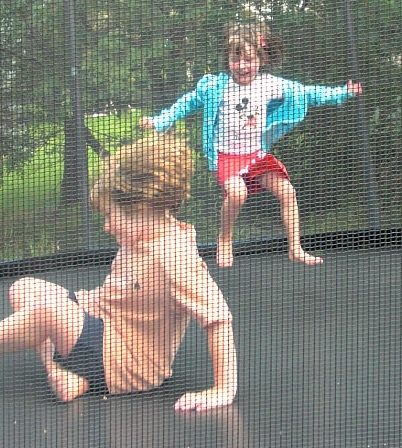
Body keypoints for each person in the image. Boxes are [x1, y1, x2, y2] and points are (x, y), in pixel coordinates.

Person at [0, 134, 237, 411]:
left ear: (144, 209)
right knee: (24, 289)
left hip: (127, 365)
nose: (107, 226)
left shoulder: (175, 256)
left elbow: (218, 317)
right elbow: (118, 299)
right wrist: (78, 305)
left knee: (48, 311)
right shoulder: (141, 234)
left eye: (111, 216)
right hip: (105, 333)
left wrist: (224, 389)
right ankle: (64, 373)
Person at [140, 20, 362, 268]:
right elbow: (187, 103)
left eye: (249, 60)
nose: (242, 66)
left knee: (287, 192)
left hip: (255, 156)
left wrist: (343, 92)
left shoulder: (270, 85)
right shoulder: (216, 87)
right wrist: (160, 121)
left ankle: (295, 248)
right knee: (237, 193)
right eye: (236, 60)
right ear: (228, 61)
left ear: (261, 59)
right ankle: (225, 238)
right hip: (226, 157)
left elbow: (308, 93)